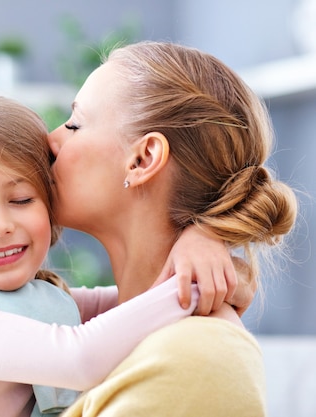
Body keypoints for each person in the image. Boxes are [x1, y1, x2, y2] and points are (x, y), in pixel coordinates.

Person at [0, 90, 247, 417]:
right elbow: (80, 357)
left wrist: (205, 241)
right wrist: (195, 285)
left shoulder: (36, 303)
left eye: (22, 199)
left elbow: (137, 300)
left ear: (49, 202)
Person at [43, 41, 296, 416]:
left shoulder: (197, 360)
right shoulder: (115, 332)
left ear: (143, 159)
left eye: (75, 124)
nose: (51, 138)